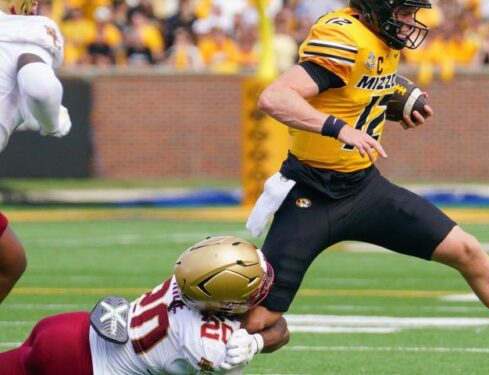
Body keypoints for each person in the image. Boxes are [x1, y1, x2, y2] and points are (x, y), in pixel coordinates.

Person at [245, 0, 489, 369]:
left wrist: (390, 102)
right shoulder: (343, 36)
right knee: (260, 322)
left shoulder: (382, 40)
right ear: (374, 8)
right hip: (310, 193)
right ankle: (202, 349)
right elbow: (275, 97)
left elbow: (352, 88)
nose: (410, 23)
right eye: (403, 13)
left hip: (363, 189)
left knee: (466, 250)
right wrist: (340, 128)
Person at [0, 236, 290, 374]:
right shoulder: (209, 347)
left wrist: (256, 340)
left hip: (68, 327)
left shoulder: (188, 277)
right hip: (82, 367)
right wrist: (256, 343)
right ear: (223, 298)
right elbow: (278, 327)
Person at [0, 0, 72, 304]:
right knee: (8, 263)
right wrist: (52, 122)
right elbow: (40, 86)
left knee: (10, 260)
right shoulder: (29, 29)